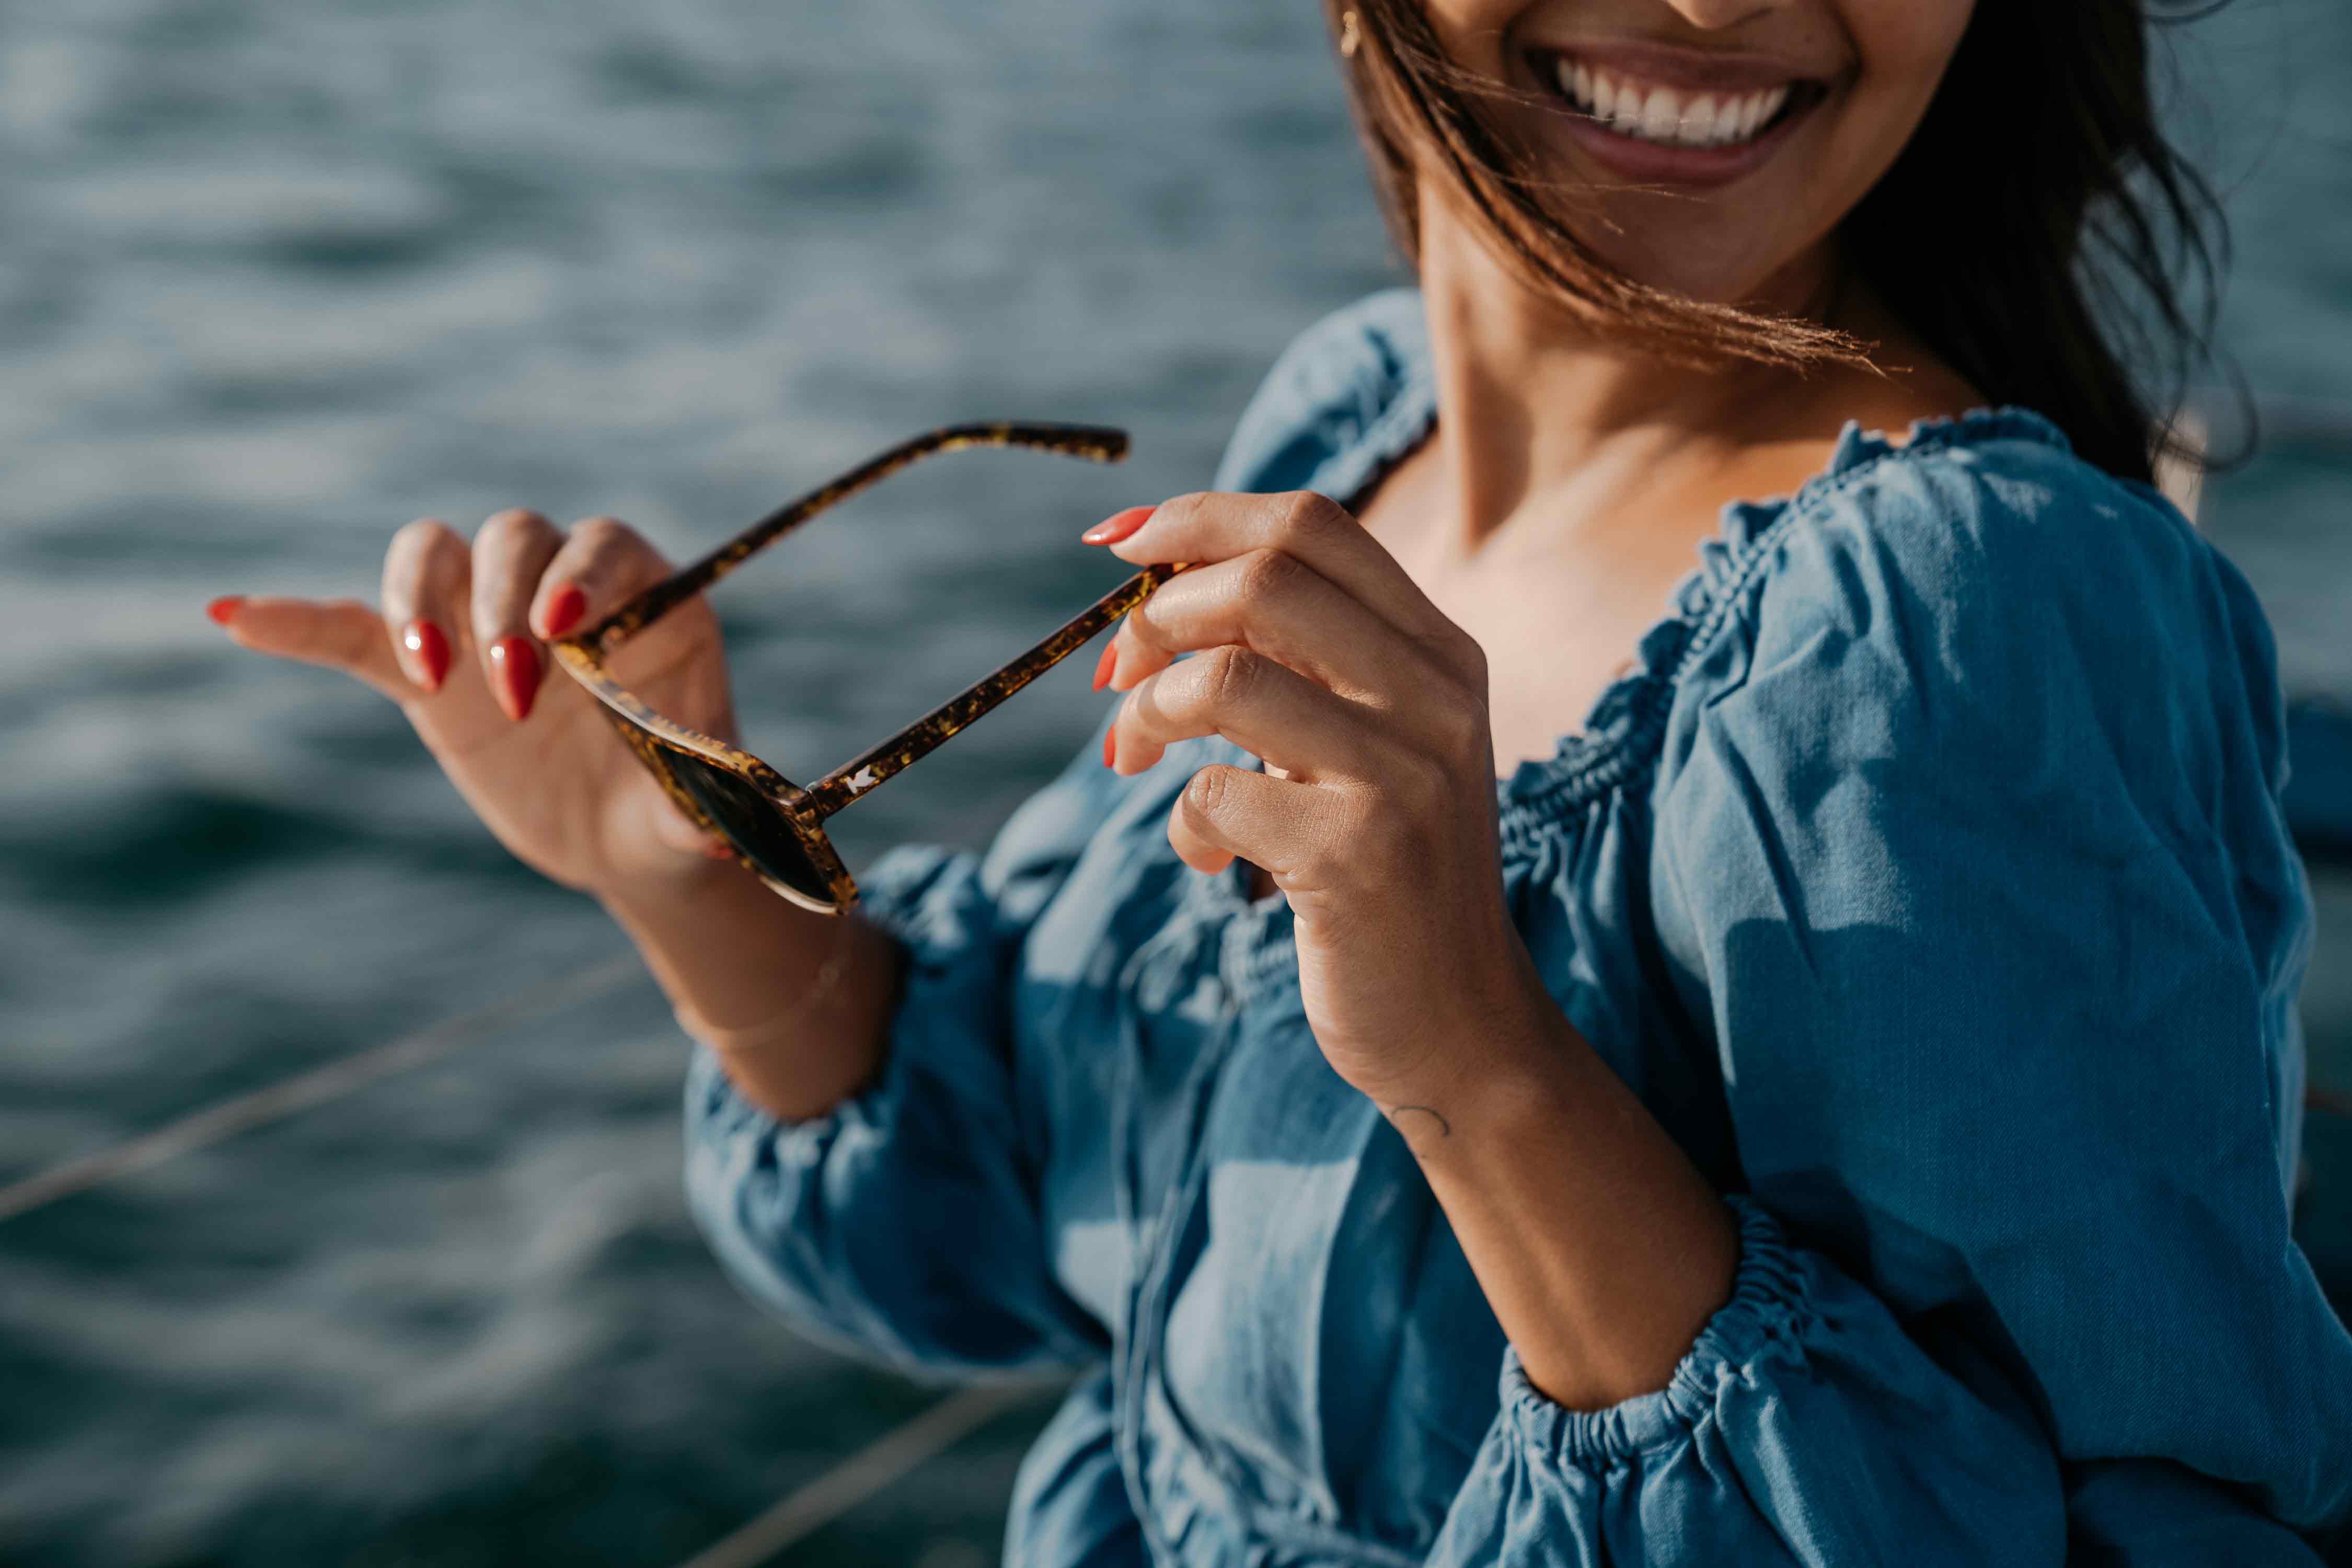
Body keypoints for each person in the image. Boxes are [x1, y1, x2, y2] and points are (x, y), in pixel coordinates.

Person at [211, 0, 2352, 1560]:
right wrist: (671, 866)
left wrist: (1477, 1057)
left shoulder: (1963, 618)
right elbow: (1014, 1211)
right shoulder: (1358, 419)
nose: (1716, 4)